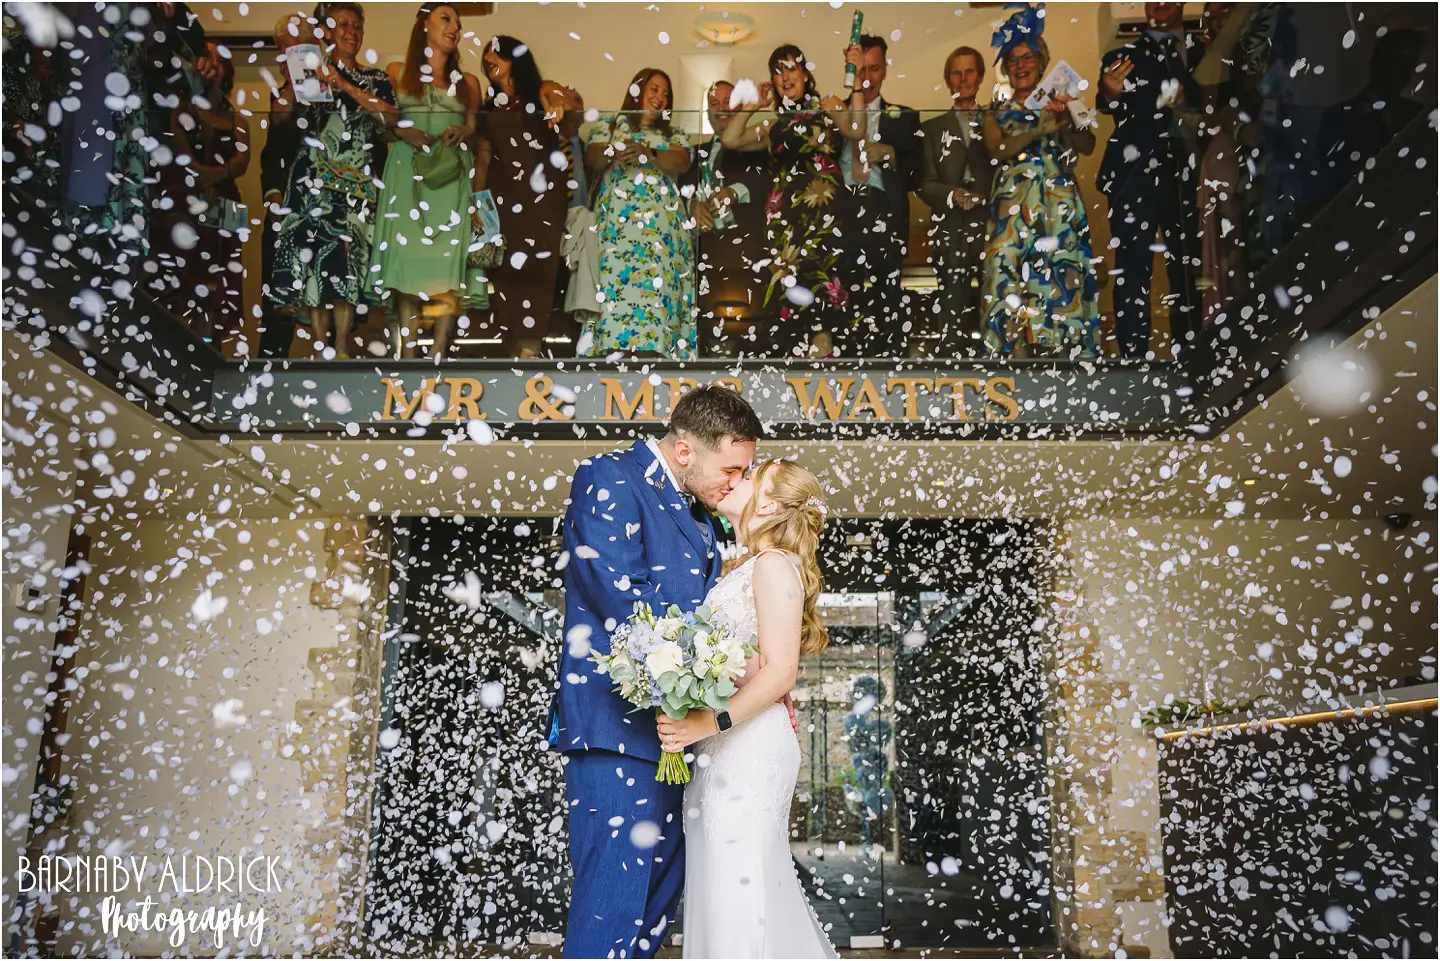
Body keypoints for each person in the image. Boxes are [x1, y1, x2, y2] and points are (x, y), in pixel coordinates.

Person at [550, 385, 770, 959]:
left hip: (680, 738)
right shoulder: (608, 477)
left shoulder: (697, 508)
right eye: (731, 469)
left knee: (655, 910)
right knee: (612, 905)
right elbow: (620, 597)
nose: (736, 482)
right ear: (684, 450)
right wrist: (713, 662)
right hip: (616, 732)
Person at [657, 457, 839, 959]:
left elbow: (781, 672)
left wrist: (705, 721)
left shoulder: (774, 564)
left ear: (769, 505)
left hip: (748, 746)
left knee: (742, 889)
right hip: (720, 746)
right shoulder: (743, 566)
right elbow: (749, 660)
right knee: (721, 888)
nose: (735, 479)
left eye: (750, 476)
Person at [721, 44, 867, 357]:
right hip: (784, 217)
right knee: (786, 280)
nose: (785, 76)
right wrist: (753, 106)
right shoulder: (772, 127)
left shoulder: (827, 105)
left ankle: (824, 345)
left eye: (791, 68)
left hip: (825, 211)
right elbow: (730, 139)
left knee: (824, 274)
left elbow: (857, 129)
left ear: (805, 74)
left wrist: (856, 81)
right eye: (778, 71)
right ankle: (793, 352)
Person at [269, 3, 396, 358]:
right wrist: (294, 77)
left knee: (348, 257)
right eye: (343, 24)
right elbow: (279, 117)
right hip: (313, 175)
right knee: (314, 257)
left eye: (357, 26)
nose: (351, 32)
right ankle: (319, 344)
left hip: (357, 177)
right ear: (326, 31)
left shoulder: (375, 78)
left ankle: (341, 343)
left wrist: (344, 85)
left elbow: (392, 120)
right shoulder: (311, 66)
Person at [980, 6, 1100, 359]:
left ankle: (1066, 354)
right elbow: (997, 149)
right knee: (1004, 274)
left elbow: (1088, 145)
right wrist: (1037, 130)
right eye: (1013, 59)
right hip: (1011, 209)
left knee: (1060, 274)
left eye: (1027, 57)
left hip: (1056, 204)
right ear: (1006, 68)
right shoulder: (995, 111)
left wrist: (1072, 114)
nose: (1020, 65)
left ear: (1042, 62)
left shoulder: (1059, 103)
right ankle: (1006, 355)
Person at [369, 2, 481, 359]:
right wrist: (404, 130)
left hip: (451, 175)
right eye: (446, 19)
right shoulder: (397, 72)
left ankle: (438, 350)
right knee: (408, 258)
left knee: (446, 262)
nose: (454, 27)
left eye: (457, 22)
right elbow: (380, 125)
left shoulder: (469, 83)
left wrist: (462, 130)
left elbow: (477, 132)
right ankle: (409, 352)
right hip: (408, 173)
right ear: (424, 24)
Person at [1098, 1, 1206, 358]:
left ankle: (1191, 354)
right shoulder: (1123, 56)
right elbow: (1107, 103)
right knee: (1133, 268)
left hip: (1190, 173)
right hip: (1134, 176)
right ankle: (1133, 360)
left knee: (1189, 266)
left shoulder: (1204, 50)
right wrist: (1111, 92)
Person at [581, 68, 695, 358]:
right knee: (613, 294)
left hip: (661, 234)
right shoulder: (610, 125)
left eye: (666, 94)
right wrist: (614, 150)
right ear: (637, 90)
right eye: (654, 89)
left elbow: (682, 161)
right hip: (617, 232)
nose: (660, 98)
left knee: (658, 297)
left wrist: (649, 154)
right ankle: (611, 357)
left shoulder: (674, 135)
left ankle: (656, 358)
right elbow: (592, 157)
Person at [479, 35, 570, 357]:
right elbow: (483, 158)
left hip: (541, 201)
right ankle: (511, 351)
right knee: (505, 275)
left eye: (496, 53)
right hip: (502, 201)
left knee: (538, 274)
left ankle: (531, 349)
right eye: (486, 56)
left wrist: (557, 104)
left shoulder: (540, 92)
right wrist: (478, 204)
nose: (489, 59)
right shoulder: (489, 108)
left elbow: (564, 100)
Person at [156, 40, 250, 347]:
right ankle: (175, 343)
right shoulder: (182, 109)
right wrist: (202, 174)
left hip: (225, 202)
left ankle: (213, 344)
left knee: (222, 275)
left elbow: (242, 161)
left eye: (215, 59)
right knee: (185, 271)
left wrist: (215, 174)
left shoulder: (237, 120)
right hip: (186, 200)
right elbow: (182, 152)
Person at [843, 34, 922, 356]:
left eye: (874, 69)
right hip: (842, 223)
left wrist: (891, 153)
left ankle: (891, 367)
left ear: (885, 70)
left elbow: (918, 174)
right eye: (860, 69)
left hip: (887, 223)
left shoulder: (906, 117)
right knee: (842, 300)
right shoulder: (835, 112)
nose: (866, 78)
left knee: (887, 300)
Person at [919, 45, 993, 354]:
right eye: (956, 73)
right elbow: (923, 183)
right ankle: (952, 367)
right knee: (951, 307)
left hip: (992, 225)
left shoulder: (997, 122)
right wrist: (953, 195)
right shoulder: (931, 129)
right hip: (950, 227)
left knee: (995, 301)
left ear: (980, 76)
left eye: (969, 72)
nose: (963, 79)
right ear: (948, 80)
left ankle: (997, 365)